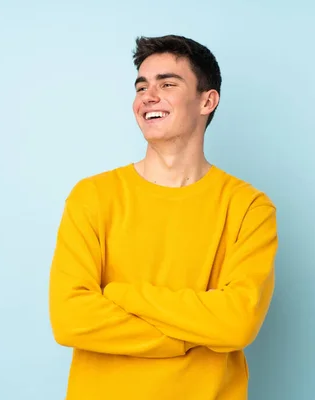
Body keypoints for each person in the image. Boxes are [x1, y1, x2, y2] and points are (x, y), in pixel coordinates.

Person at [48, 34, 278, 400]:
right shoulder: (92, 197)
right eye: (141, 87)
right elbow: (70, 318)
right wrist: (195, 337)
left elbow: (236, 323)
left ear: (207, 100)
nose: (148, 96)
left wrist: (123, 295)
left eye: (167, 84)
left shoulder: (249, 208)